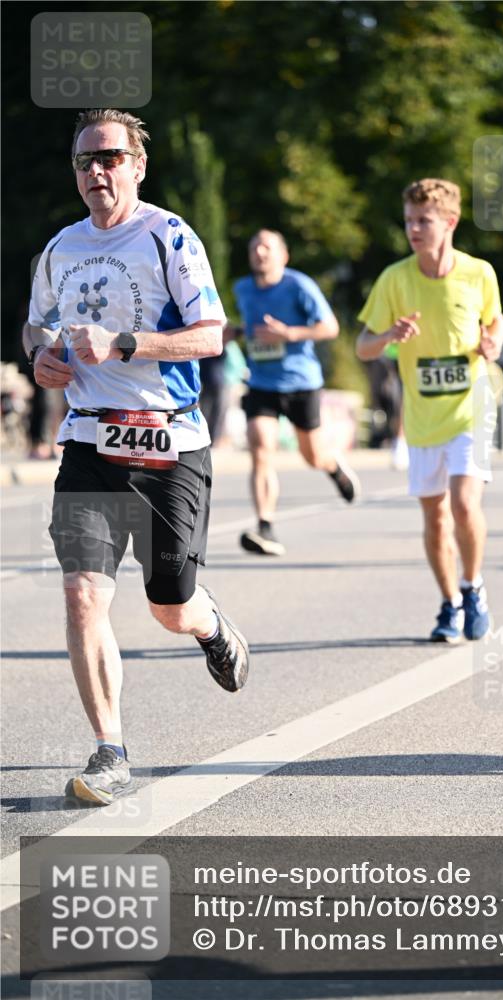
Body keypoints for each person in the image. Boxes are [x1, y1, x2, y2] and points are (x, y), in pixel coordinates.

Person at [24, 109, 249, 806]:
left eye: (111, 158)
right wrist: (41, 359)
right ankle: (110, 749)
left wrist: (122, 343)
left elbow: (210, 335)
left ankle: (208, 623)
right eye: (86, 160)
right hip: (89, 439)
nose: (97, 171)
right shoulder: (60, 248)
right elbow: (38, 324)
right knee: (83, 593)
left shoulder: (168, 236)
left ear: (137, 165)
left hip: (167, 441)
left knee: (167, 607)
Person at [356, 178, 503, 643]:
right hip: (423, 417)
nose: (414, 229)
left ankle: (473, 586)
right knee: (435, 516)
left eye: (424, 221)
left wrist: (493, 341)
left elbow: (495, 320)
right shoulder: (395, 279)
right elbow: (362, 346)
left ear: (450, 223)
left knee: (463, 505)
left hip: (471, 407)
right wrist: (387, 338)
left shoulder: (478, 273)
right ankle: (449, 603)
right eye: (409, 221)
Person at [230, 229, 359, 557]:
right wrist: (233, 333)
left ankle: (333, 467)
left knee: (312, 455)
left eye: (267, 247)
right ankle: (265, 526)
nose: (260, 252)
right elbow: (251, 329)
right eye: (254, 246)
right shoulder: (242, 289)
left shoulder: (299, 285)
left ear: (283, 256)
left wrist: (288, 334)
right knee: (261, 448)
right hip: (261, 383)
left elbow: (330, 327)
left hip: (301, 383)